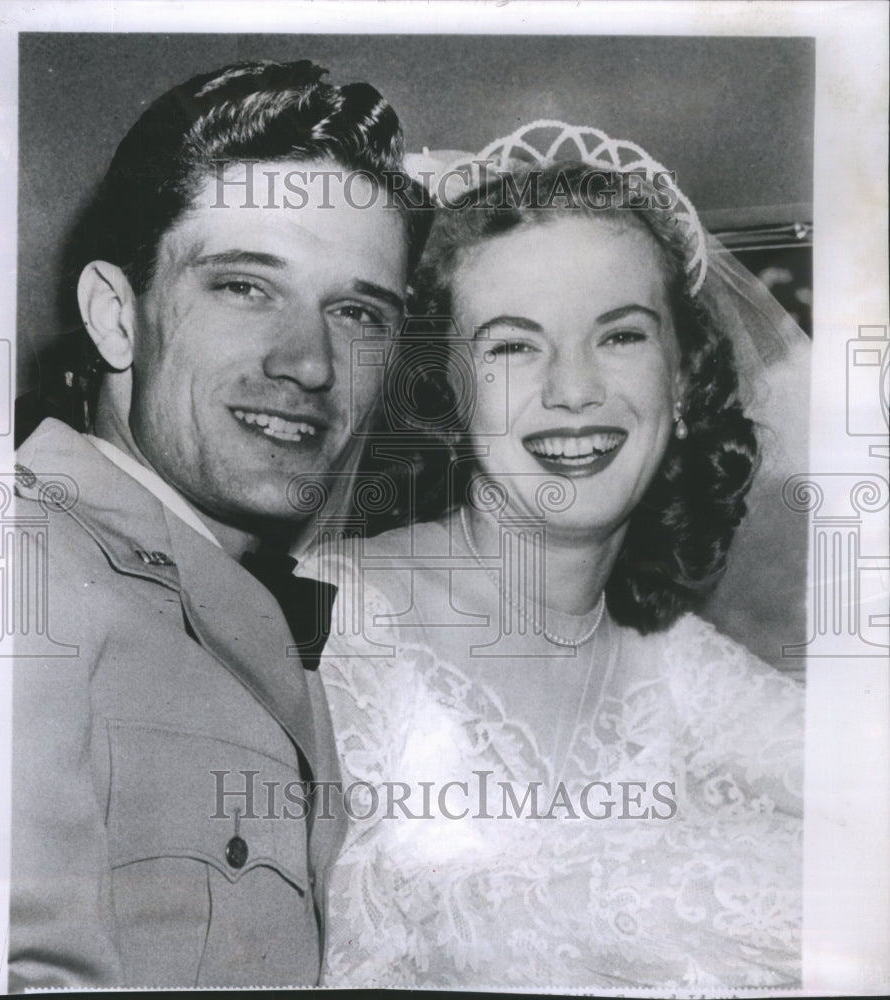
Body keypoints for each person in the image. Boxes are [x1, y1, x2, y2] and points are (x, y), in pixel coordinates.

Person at [308, 123, 807, 990]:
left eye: (619, 336)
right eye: (510, 345)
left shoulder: (677, 664)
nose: (572, 390)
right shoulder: (329, 618)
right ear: (448, 392)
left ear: (683, 383)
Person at [8, 59, 429, 990]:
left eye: (357, 311)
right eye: (244, 287)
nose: (310, 364)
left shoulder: (259, 599)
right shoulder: (8, 573)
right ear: (116, 320)